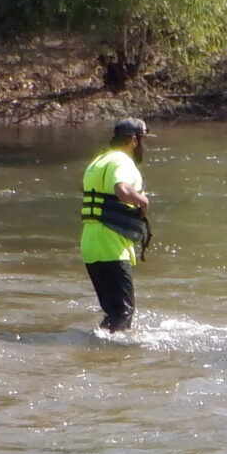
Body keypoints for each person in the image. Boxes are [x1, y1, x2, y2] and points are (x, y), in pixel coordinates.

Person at [79, 117, 152, 334]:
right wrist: (143, 201)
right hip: (111, 242)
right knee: (123, 312)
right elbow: (121, 189)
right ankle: (116, 359)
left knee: (113, 312)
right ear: (132, 140)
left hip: (90, 243)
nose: (144, 145)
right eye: (143, 139)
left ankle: (101, 352)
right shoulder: (122, 161)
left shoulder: (98, 161)